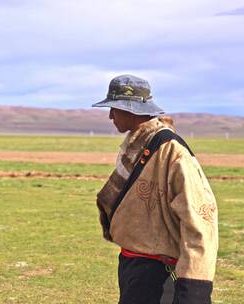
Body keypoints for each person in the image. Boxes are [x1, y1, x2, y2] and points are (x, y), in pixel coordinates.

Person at [92, 75, 219, 304]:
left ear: (130, 110)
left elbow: (200, 221)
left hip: (159, 274)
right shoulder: (136, 146)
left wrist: (194, 292)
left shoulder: (174, 154)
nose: (110, 116)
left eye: (113, 109)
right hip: (135, 268)